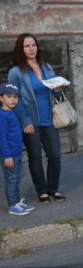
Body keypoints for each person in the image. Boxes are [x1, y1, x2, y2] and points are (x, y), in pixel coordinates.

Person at [8, 33, 65, 203]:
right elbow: (14, 99)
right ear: (21, 49)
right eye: (27, 46)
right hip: (30, 121)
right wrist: (25, 122)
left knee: (55, 156)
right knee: (35, 157)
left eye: (33, 45)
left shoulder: (47, 67)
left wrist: (58, 90)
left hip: (50, 119)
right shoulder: (16, 72)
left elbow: (56, 93)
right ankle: (42, 191)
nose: (31, 49)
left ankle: (53, 189)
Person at [0, 83, 35, 216]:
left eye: (15, 96)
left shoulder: (11, 112)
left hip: (16, 153)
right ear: (1, 98)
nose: (13, 99)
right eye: (9, 96)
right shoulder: (2, 116)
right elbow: (2, 137)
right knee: (11, 180)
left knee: (16, 178)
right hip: (9, 155)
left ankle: (17, 201)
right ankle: (12, 205)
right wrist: (7, 155)